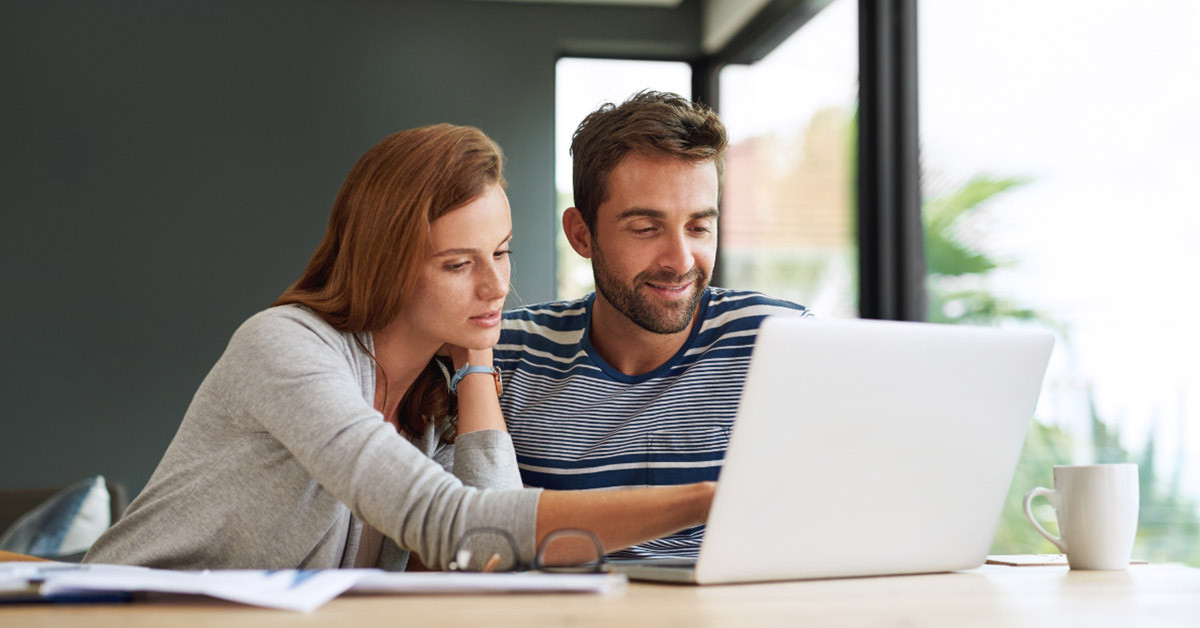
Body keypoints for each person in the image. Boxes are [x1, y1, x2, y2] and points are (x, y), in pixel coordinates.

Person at [84, 124, 714, 571]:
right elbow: (461, 527)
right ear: (385, 265)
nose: (497, 285)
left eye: (501, 252)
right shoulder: (284, 347)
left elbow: (486, 562)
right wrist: (709, 500)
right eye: (458, 264)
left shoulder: (429, 404)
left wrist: (476, 361)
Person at [495, 91, 811, 559]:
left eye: (699, 227)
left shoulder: (782, 341)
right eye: (646, 228)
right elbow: (471, 541)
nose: (680, 261)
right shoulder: (507, 353)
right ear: (582, 234)